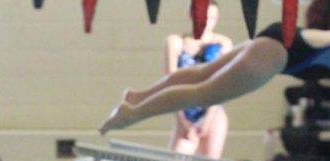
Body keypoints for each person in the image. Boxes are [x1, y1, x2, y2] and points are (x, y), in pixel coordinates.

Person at [100, 0, 330, 134]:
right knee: (205, 93)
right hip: (277, 54)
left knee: (203, 74)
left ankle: (138, 97)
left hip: (279, 37)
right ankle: (134, 112)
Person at [148, 1, 232, 161]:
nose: (206, 23)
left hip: (212, 113)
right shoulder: (176, 42)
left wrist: (208, 118)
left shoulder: (222, 43)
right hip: (185, 112)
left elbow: (223, 86)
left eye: (212, 18)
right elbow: (171, 84)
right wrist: (184, 121)